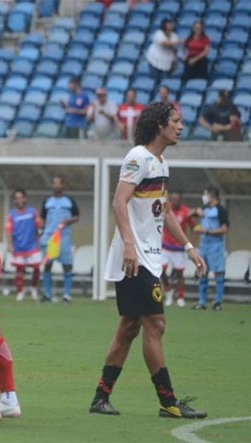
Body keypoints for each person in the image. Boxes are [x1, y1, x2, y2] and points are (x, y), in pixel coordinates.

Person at [89, 102, 207, 419]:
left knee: (129, 327)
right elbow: (118, 202)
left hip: (148, 257)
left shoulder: (161, 163)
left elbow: (164, 211)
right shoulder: (138, 157)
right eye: (176, 121)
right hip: (135, 258)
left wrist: (187, 248)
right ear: (159, 125)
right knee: (155, 323)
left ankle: (101, 397)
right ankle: (168, 401)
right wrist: (129, 243)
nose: (181, 126)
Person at [39, 176, 79, 303]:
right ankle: (47, 294)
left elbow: (76, 216)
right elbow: (42, 219)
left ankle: (66, 295)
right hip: (50, 237)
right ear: (52, 185)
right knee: (47, 265)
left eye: (58, 183)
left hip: (64, 238)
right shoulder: (47, 201)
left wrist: (68, 221)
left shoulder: (69, 201)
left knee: (67, 266)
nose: (56, 186)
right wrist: (42, 232)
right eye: (54, 183)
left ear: (63, 185)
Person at [193, 186, 229, 311]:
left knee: (219, 273)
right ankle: (202, 302)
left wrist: (206, 231)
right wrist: (196, 211)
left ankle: (218, 302)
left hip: (216, 245)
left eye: (205, 194)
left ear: (211, 196)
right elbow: (190, 214)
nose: (203, 197)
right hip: (203, 245)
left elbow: (224, 229)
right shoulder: (204, 209)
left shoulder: (221, 210)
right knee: (202, 272)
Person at [160, 192, 196, 308]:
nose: (175, 202)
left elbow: (194, 228)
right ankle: (168, 291)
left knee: (180, 273)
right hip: (165, 247)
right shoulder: (164, 209)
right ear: (169, 200)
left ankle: (180, 297)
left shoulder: (186, 212)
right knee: (160, 270)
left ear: (180, 200)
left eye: (177, 200)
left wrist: (190, 244)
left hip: (179, 249)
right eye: (173, 200)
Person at [6, 189, 42, 302]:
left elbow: (38, 226)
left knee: (36, 267)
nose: (19, 200)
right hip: (18, 246)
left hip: (32, 245)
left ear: (25, 198)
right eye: (16, 198)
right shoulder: (11, 214)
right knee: (19, 270)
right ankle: (20, 292)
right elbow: (8, 231)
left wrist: (38, 239)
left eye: (21, 197)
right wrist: (10, 245)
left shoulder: (32, 212)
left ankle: (33, 288)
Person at [146, 18, 180, 83]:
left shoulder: (174, 36)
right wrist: (179, 41)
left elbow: (174, 49)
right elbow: (164, 44)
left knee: (165, 82)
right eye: (169, 24)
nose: (171, 25)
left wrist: (175, 61)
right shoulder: (158, 34)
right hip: (155, 60)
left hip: (166, 62)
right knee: (154, 81)